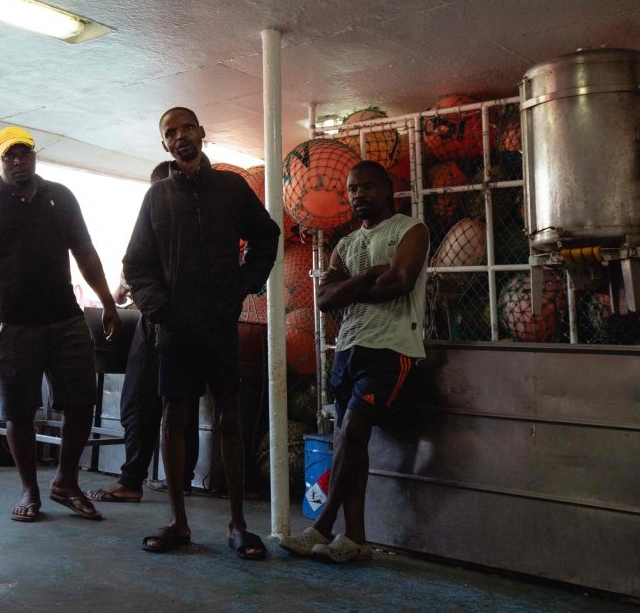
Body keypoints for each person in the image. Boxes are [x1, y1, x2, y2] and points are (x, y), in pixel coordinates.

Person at [124, 107, 280, 559]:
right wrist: (160, 309)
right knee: (174, 419)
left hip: (218, 328)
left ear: (202, 133)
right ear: (165, 145)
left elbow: (266, 237)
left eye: (186, 128)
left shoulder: (231, 189)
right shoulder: (156, 199)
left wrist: (244, 286)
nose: (180, 137)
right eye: (170, 133)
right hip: (174, 332)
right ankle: (178, 522)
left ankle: (237, 525)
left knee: (230, 419)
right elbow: (136, 264)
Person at [0, 125, 121, 523]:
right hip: (13, 323)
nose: (18, 162)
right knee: (18, 412)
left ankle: (66, 481)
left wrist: (107, 302)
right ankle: (30, 489)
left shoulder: (60, 197)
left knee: (81, 402)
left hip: (66, 318)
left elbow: (85, 252)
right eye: (9, 156)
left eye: (25, 154)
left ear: (34, 157)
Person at [279, 160, 429, 564]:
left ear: (386, 189)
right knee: (351, 442)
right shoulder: (345, 245)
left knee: (353, 433)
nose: (357, 194)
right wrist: (367, 278)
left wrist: (349, 287)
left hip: (391, 347)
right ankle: (356, 538)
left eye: (366, 187)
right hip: (348, 347)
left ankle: (323, 525)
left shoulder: (409, 230)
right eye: (351, 189)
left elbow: (399, 282)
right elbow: (324, 300)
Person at [87, 164, 200, 504]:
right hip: (195, 323)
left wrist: (119, 296)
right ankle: (180, 479)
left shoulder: (158, 218)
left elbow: (127, 279)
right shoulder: (201, 217)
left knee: (137, 399)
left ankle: (131, 480)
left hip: (157, 322)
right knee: (183, 403)